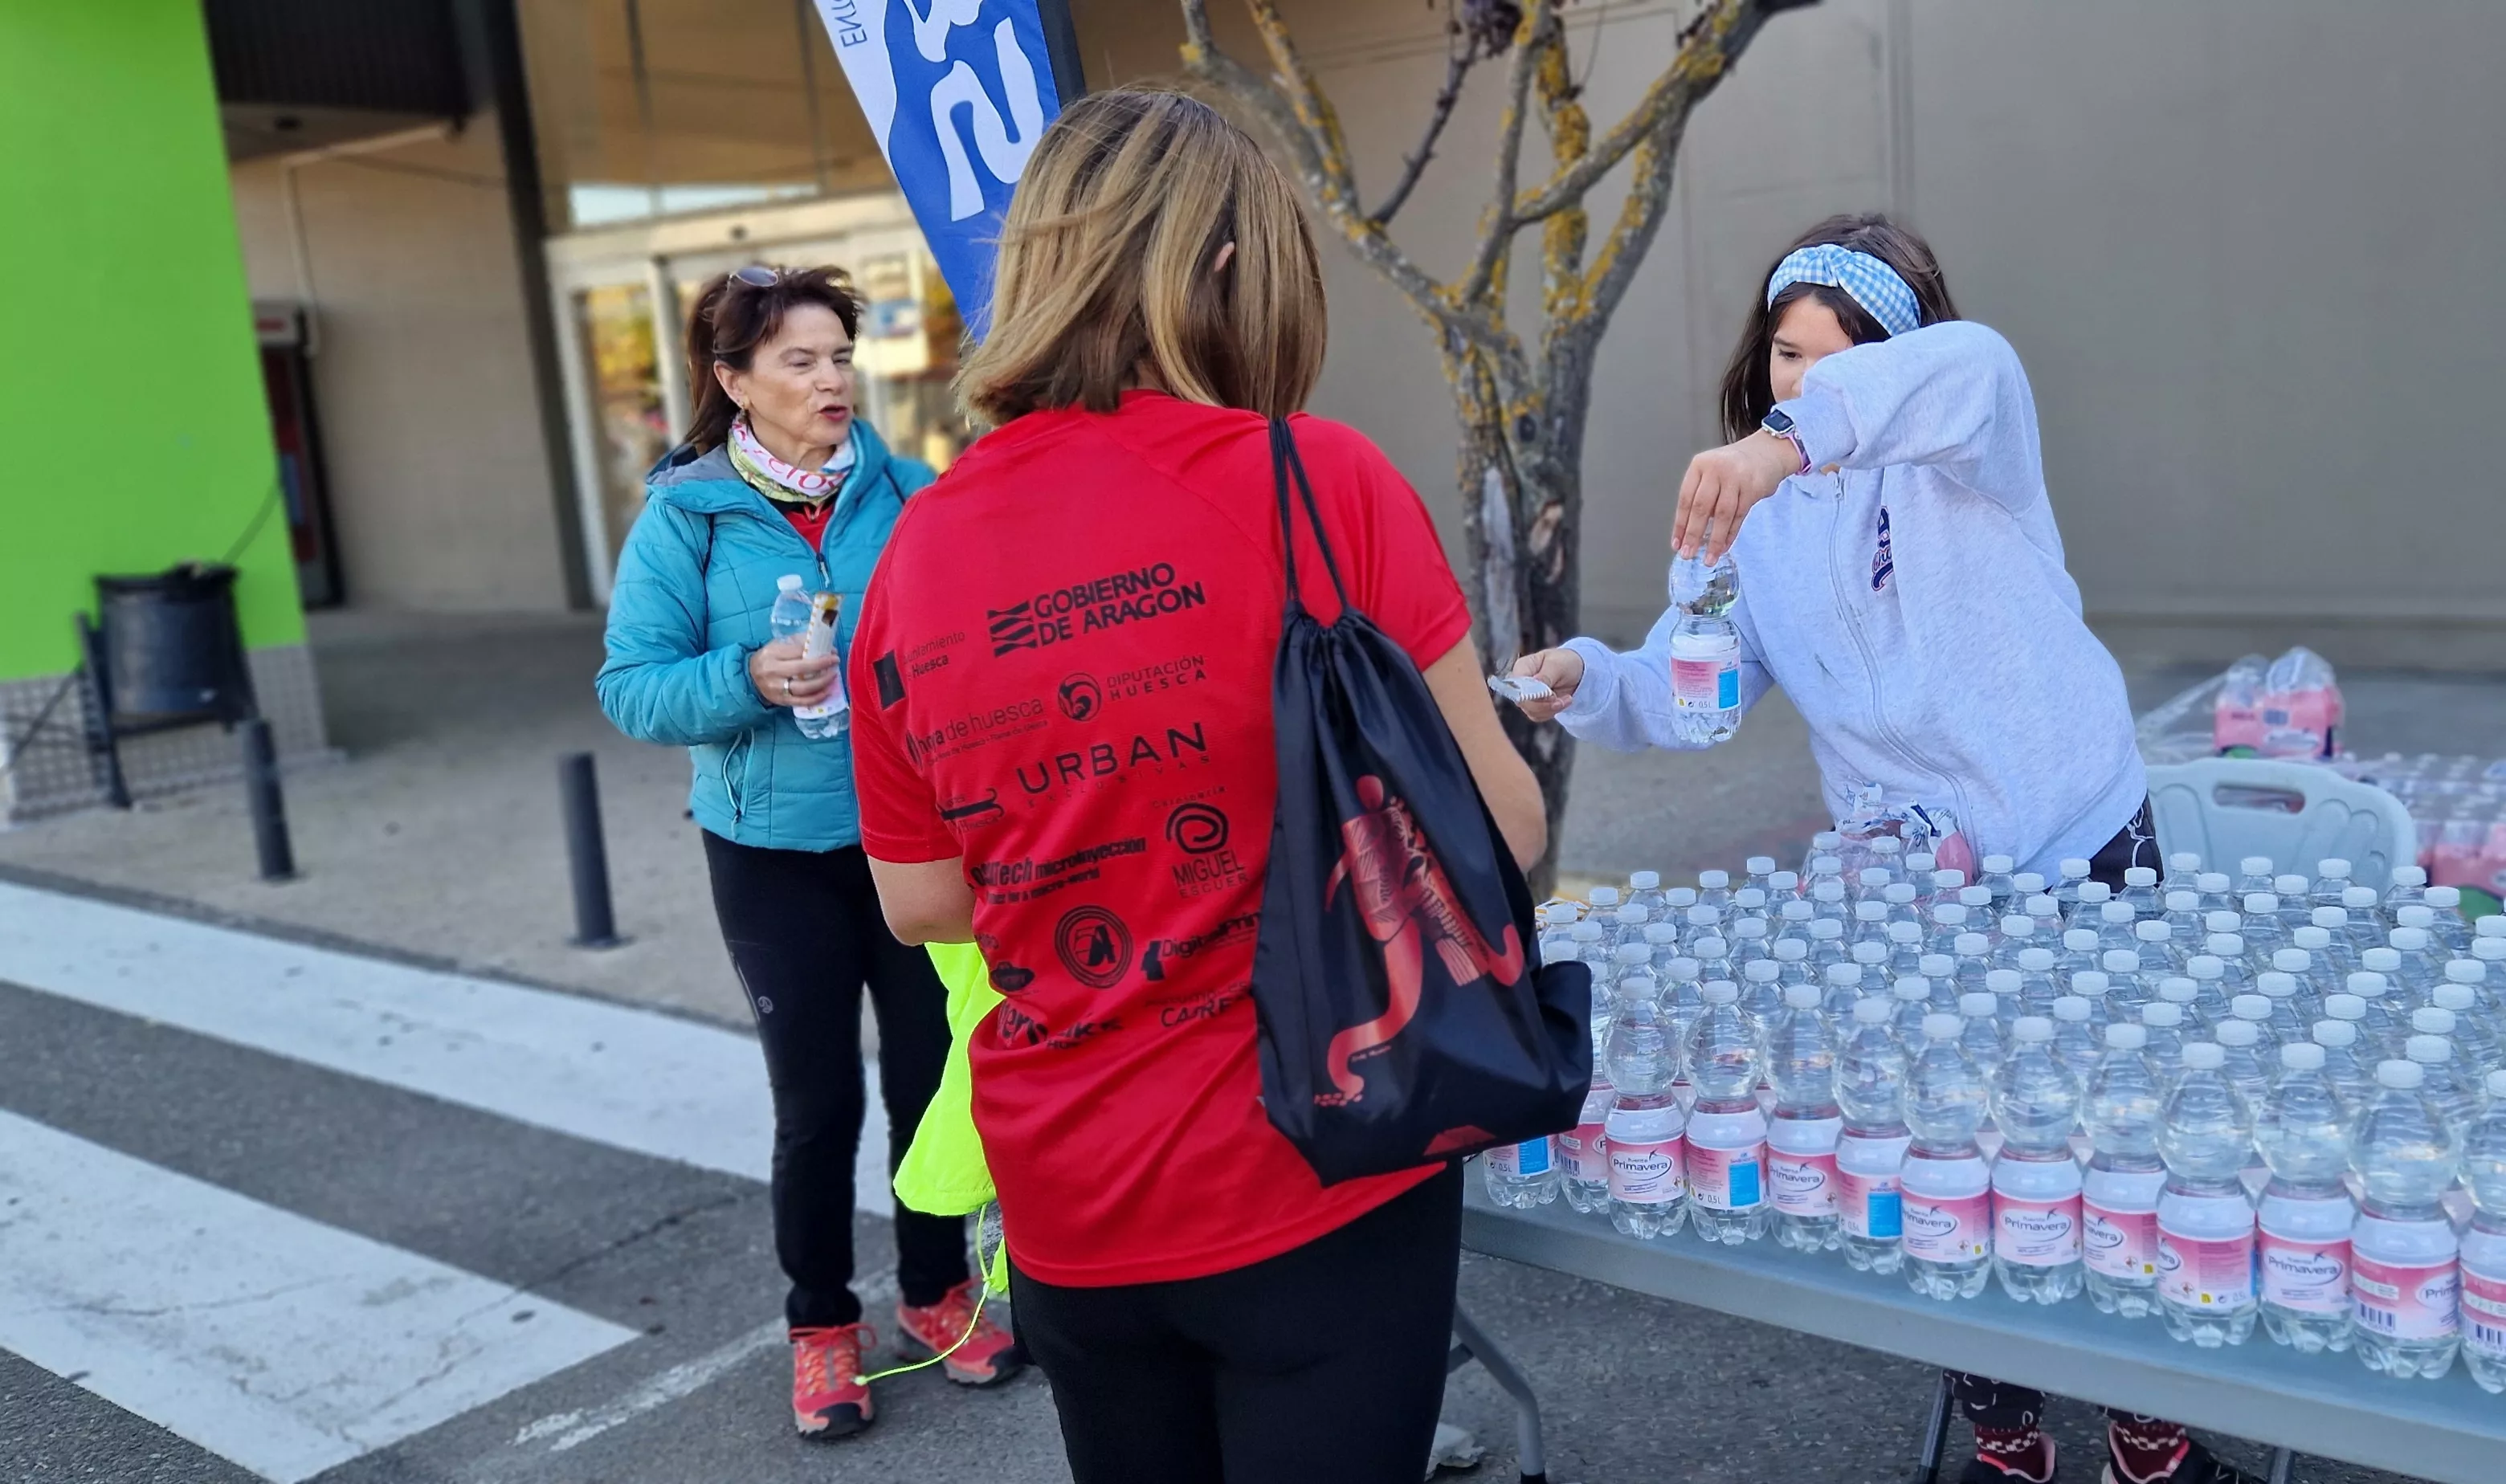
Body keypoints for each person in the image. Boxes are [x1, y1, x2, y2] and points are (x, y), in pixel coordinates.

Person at [847, 88, 1548, 1484]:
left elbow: (921, 901)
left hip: (1064, 1202)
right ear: (1225, 266)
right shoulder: (1318, 482)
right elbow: (1506, 830)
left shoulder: (915, 550)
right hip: (1321, 1164)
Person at [1507, 217, 2241, 1484]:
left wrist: (1782, 443)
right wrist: (1589, 678)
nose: (1800, 382)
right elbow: (1702, 694)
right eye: (1785, 355)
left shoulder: (1969, 448)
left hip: (2076, 844)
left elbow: (1975, 364)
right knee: (1952, 1150)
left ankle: (2147, 1436)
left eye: (1835, 360)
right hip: (1917, 890)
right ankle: (2007, 1440)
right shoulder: (1755, 523)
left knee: (2107, 1150)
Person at [597, 263, 1017, 1441]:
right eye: (801, 359)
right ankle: (821, 1328)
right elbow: (629, 690)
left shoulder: (912, 494)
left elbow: (979, 636)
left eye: (842, 355)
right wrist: (745, 678)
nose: (832, 378)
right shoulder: (685, 517)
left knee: (935, 1080)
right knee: (817, 1100)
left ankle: (937, 1294)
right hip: (773, 853)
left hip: (915, 843)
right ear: (734, 382)